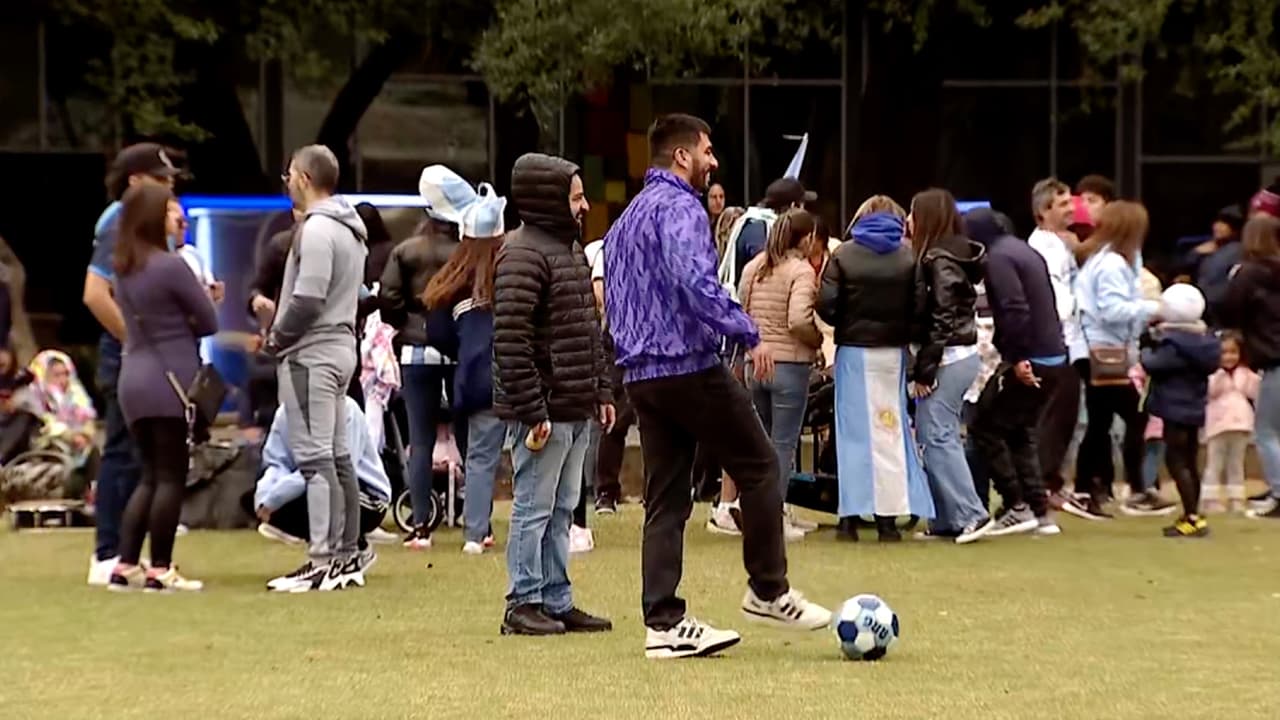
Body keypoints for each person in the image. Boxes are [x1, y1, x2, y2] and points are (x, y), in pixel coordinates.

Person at [605, 114, 831, 659]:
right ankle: (768, 589)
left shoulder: (626, 219)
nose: (713, 161)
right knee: (759, 465)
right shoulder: (680, 207)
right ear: (682, 156)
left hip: (642, 373)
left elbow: (613, 293)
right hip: (686, 363)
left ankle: (662, 622)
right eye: (707, 151)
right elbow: (695, 281)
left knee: (665, 497)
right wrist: (747, 333)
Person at [493, 152, 613, 636]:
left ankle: (555, 597)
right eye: (576, 196)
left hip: (574, 405)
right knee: (534, 507)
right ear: (550, 199)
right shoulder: (522, 253)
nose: (583, 206)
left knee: (563, 508)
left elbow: (588, 330)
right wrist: (533, 408)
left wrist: (601, 390)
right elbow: (512, 340)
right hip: (544, 410)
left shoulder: (567, 251)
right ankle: (523, 600)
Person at [262, 145, 369, 593]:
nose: (286, 181)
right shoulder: (351, 229)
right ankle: (346, 555)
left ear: (304, 177)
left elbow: (308, 297)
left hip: (312, 352)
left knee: (314, 457)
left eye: (289, 174)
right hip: (342, 346)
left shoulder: (317, 229)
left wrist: (278, 337)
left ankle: (321, 558)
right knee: (339, 455)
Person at [107, 183, 218, 592]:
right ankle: (161, 567)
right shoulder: (171, 266)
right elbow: (208, 321)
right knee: (171, 476)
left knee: (149, 476)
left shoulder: (123, 268)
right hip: (171, 379)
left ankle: (125, 564)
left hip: (133, 378)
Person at [82, 142, 181, 586]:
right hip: (125, 351)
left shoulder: (142, 223)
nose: (170, 186)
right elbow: (95, 294)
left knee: (144, 458)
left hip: (140, 350)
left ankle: (126, 554)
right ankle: (106, 553)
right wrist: (137, 341)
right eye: (161, 179)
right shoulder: (118, 220)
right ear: (135, 181)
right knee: (122, 450)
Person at [819, 197, 931, 542]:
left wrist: (846, 324)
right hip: (891, 354)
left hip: (853, 351)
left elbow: (826, 305)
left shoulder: (843, 255)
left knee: (852, 435)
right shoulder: (908, 256)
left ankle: (849, 518)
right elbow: (920, 310)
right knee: (890, 434)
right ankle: (887, 520)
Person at [380, 166, 473, 549]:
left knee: (419, 439)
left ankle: (420, 526)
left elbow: (388, 299)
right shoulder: (466, 253)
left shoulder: (405, 251)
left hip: (416, 350)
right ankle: (475, 523)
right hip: (460, 349)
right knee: (470, 437)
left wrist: (406, 323)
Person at [963, 208, 1069, 538]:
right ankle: (1039, 510)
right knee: (1020, 431)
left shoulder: (998, 259)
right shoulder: (1024, 250)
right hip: (1053, 354)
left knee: (985, 425)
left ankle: (1015, 504)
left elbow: (1013, 307)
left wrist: (1018, 356)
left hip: (1031, 355)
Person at [422, 180, 507, 556]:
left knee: (478, 457)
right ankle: (490, 530)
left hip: (470, 379)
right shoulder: (512, 274)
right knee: (518, 459)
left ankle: (477, 530)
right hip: (512, 377)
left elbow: (437, 332)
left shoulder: (456, 281)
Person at [1074, 201, 1171, 516]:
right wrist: (1154, 309)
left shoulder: (1109, 260)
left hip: (1101, 352)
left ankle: (1092, 488)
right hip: (1105, 352)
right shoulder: (1112, 265)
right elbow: (1112, 310)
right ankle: (1136, 488)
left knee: (1101, 423)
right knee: (1136, 417)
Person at [908, 189, 993, 543]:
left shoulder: (939, 260)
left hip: (949, 358)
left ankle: (970, 512)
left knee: (938, 435)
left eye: (912, 213)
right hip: (956, 356)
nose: (908, 221)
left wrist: (925, 370)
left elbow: (942, 319)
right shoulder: (951, 256)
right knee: (934, 435)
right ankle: (946, 518)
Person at [738, 208, 822, 541]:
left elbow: (741, 311)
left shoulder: (754, 267)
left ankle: (764, 510)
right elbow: (799, 319)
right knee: (784, 445)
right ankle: (773, 515)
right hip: (789, 364)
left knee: (761, 443)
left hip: (755, 362)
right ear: (807, 238)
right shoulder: (801, 271)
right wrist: (816, 340)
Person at [1026, 178, 1098, 519]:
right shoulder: (1042, 248)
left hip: (1069, 342)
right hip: (1055, 343)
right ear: (1044, 211)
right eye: (1063, 203)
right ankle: (1040, 490)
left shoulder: (1061, 244)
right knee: (1054, 420)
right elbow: (1056, 300)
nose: (1072, 208)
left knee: (1066, 419)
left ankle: (1049, 485)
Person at [252, 397, 390, 572]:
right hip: (312, 484)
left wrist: (278, 495)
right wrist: (265, 496)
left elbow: (336, 468)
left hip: (368, 495)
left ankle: (343, 555)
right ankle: (341, 553)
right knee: (261, 502)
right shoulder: (285, 412)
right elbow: (276, 462)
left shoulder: (346, 410)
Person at [1138, 284, 1220, 537]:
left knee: (1177, 461)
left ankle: (1191, 516)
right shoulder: (1205, 342)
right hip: (1194, 407)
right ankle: (1194, 514)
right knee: (1190, 460)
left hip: (1174, 409)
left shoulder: (1173, 344)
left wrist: (1145, 344)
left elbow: (1152, 364)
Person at [1221, 215, 1280, 519]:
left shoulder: (1247, 275)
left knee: (1267, 431)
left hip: (1273, 358)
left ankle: (1279, 493)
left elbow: (1230, 308)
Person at [719, 177, 816, 300]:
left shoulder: (758, 225)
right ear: (793, 206)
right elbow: (765, 278)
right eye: (802, 205)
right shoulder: (759, 230)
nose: (804, 210)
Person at [1201, 331, 1259, 513]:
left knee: (1236, 463)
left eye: (1233, 352)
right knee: (1215, 463)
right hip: (1217, 425)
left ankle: (1236, 498)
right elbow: (1209, 392)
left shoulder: (1245, 373)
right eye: (1223, 353)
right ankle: (1209, 498)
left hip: (1241, 425)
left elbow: (1254, 392)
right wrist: (1218, 376)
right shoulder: (1212, 374)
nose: (1228, 357)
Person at [1184, 205, 1244, 327]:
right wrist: (1196, 253)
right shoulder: (1208, 248)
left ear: (1234, 229)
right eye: (1217, 222)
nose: (1218, 227)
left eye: (1224, 224)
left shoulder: (1237, 251)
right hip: (1203, 307)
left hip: (1219, 311)